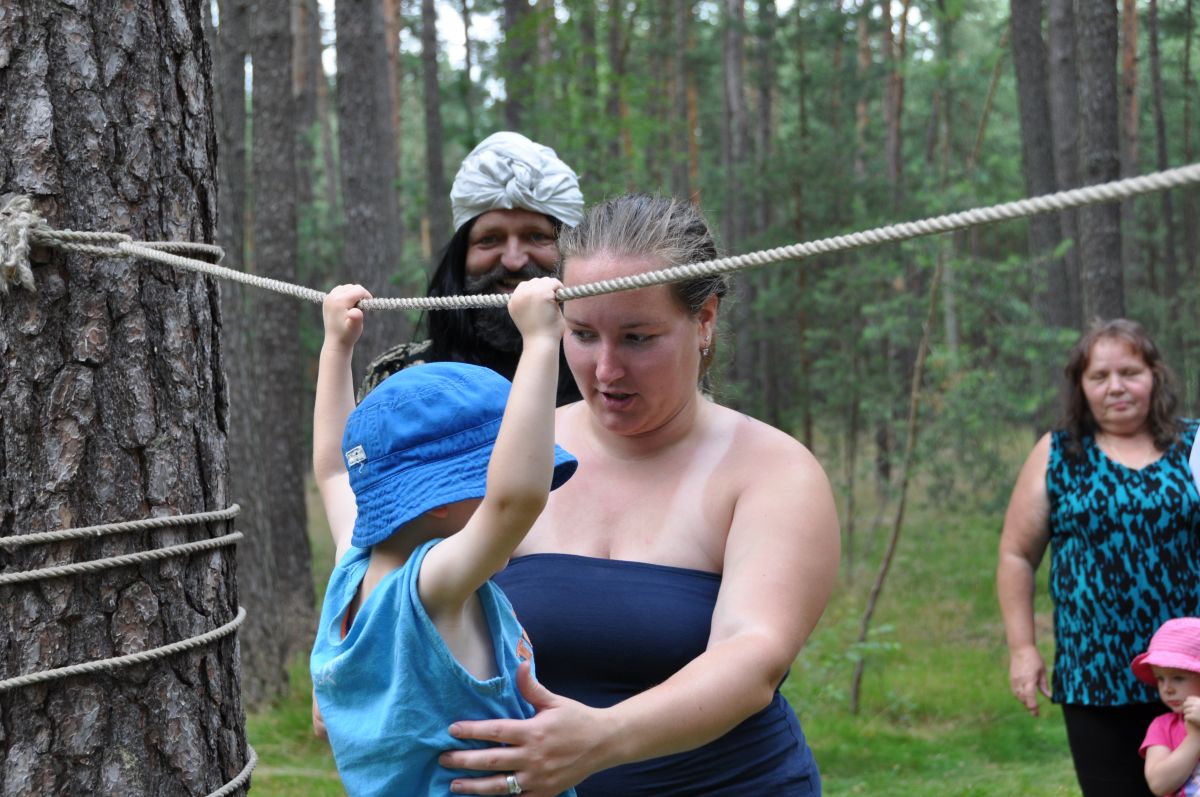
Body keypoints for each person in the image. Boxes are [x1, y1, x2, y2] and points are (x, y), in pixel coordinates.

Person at [437, 194, 841, 796]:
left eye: (637, 337)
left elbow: (753, 654)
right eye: (582, 334)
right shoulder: (516, 458)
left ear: (704, 321)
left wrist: (601, 738)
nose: (606, 369)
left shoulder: (772, 471)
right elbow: (425, 592)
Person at [309, 279, 578, 796]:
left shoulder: (354, 562)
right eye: (485, 478)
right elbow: (515, 500)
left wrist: (336, 347)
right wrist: (541, 342)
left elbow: (335, 470)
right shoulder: (432, 591)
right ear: (441, 501)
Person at [997, 319, 1200, 797]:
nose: (1116, 387)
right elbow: (1016, 555)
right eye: (1099, 376)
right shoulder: (1058, 454)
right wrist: (1023, 650)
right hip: (1094, 672)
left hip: (1192, 671)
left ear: (1155, 376)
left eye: (1130, 372)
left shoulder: (1194, 445)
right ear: (1080, 387)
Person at [360, 132, 584, 406]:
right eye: (489, 239)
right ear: (460, 257)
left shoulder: (608, 380)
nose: (513, 261)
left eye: (537, 236)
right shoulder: (397, 379)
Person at [1130, 617, 1200, 796]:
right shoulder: (1162, 727)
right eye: (1160, 678)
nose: (1167, 688)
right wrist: (1195, 737)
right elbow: (1159, 785)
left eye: (1178, 678)